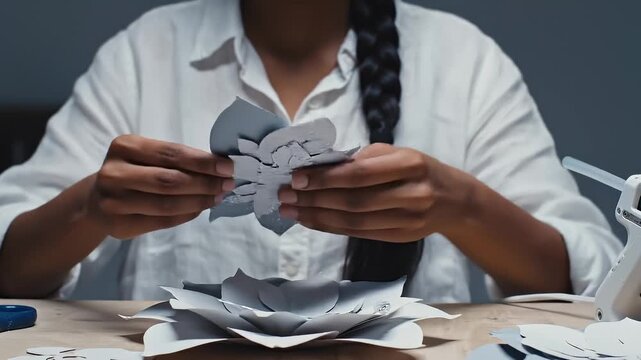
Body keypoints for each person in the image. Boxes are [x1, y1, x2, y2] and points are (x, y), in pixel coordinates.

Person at [0, 0, 621, 302]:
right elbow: (9, 259)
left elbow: (592, 281)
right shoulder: (144, 53)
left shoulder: (464, 60)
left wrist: (462, 207)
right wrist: (90, 208)